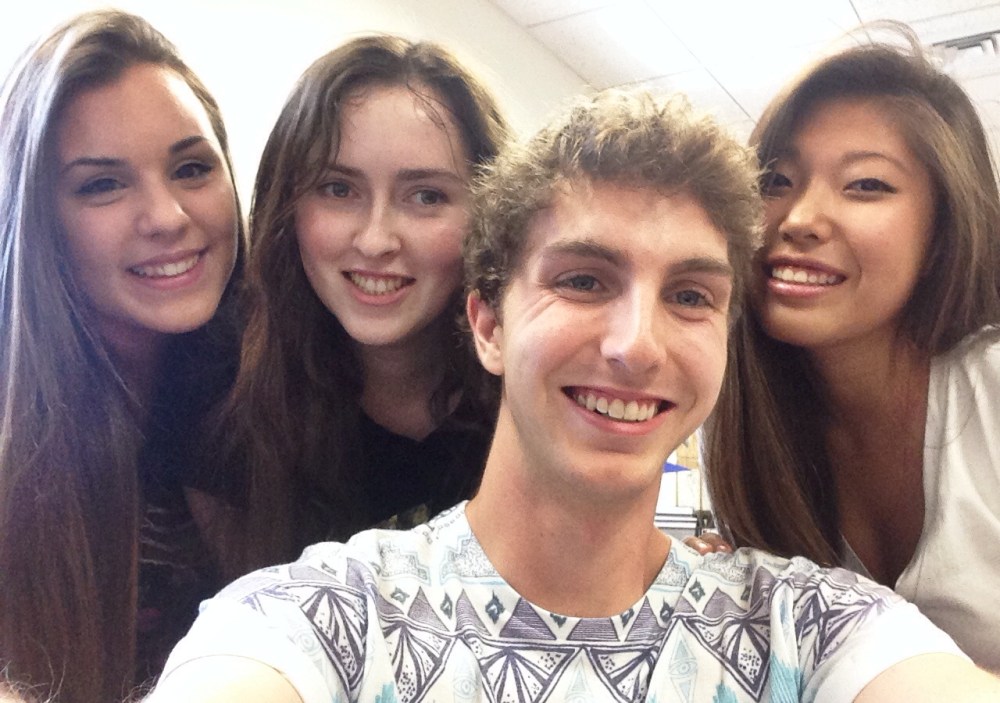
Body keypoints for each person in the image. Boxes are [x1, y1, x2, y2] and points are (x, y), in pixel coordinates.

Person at [149, 89, 1000, 702]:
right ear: (486, 322)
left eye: (692, 295)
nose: (637, 344)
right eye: (585, 279)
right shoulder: (332, 615)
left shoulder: (809, 626)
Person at [702, 31, 1000, 672]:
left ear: (944, 229)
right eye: (775, 179)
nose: (799, 218)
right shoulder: (743, 425)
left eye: (866, 185)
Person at [0, 10, 245, 701]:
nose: (167, 216)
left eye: (192, 168)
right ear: (39, 217)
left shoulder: (259, 406)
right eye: (103, 184)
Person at [199, 35, 508, 580]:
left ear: (489, 218)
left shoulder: (532, 397)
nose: (375, 239)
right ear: (287, 206)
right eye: (338, 189)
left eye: (427, 196)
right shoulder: (223, 394)